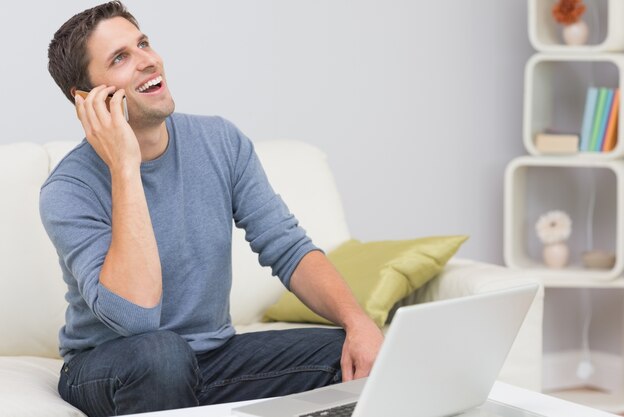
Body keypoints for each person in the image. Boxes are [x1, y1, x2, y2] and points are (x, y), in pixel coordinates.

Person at [41, 2, 383, 416]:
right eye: (120, 58)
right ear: (87, 99)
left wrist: (359, 323)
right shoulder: (67, 189)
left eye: (143, 44)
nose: (148, 61)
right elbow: (135, 319)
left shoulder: (220, 140)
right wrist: (125, 168)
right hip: (110, 365)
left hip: (211, 358)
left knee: (348, 353)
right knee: (161, 355)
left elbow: (287, 248)